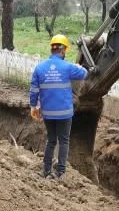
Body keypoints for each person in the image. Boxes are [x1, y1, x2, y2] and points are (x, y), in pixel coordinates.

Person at [29, 34, 88, 179]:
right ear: (63, 50)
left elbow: (34, 90)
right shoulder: (68, 67)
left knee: (51, 140)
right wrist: (78, 66)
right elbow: (85, 74)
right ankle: (60, 172)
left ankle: (46, 170)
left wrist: (33, 106)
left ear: (52, 49)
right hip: (65, 114)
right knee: (64, 141)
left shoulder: (40, 68)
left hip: (48, 113)